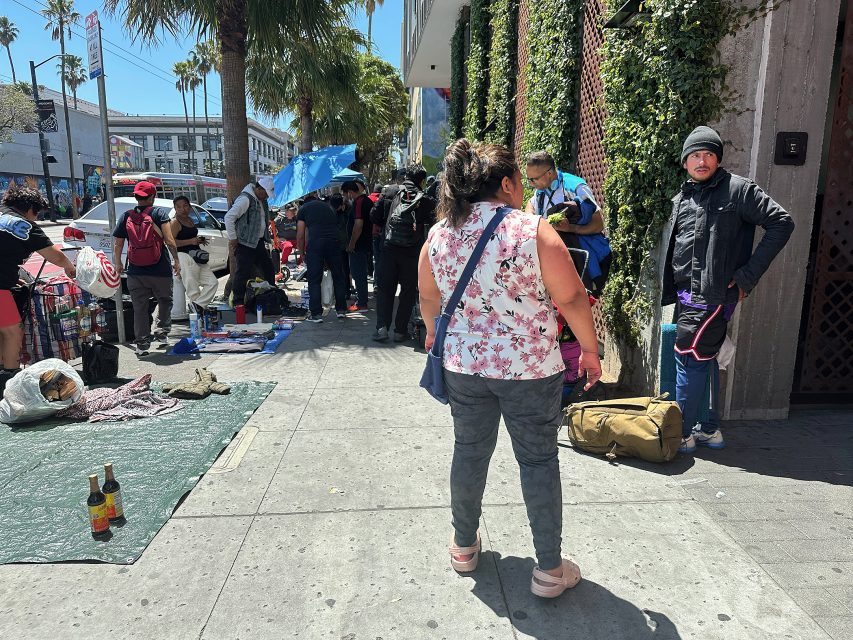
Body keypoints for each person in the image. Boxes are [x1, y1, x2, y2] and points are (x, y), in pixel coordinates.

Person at [418, 139, 601, 598]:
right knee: (538, 460)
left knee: (469, 451)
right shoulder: (532, 231)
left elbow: (428, 298)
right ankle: (549, 570)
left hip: (464, 366)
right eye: (519, 180)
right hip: (530, 368)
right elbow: (572, 297)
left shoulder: (439, 234)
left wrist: (432, 331)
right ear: (505, 183)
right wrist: (591, 350)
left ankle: (463, 545)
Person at [662, 125, 794, 453]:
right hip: (686, 297)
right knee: (705, 359)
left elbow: (782, 222)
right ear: (685, 162)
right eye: (695, 155)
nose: (702, 160)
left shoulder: (738, 191)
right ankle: (708, 429)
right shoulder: (683, 197)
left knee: (688, 358)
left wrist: (747, 276)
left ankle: (680, 435)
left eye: (709, 154)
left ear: (718, 159)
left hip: (713, 297)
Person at [0, 185, 76, 393]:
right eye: (37, 214)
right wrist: (69, 266)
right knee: (12, 332)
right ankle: (9, 380)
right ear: (30, 209)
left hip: (4, 286)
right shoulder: (23, 225)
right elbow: (54, 256)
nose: (36, 219)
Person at [524, 151, 612, 295]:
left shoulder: (575, 187)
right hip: (556, 264)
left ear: (550, 173)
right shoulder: (540, 191)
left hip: (580, 260)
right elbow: (530, 204)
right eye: (529, 179)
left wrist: (570, 228)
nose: (531, 184)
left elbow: (598, 224)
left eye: (534, 179)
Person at [112, 181, 181, 357]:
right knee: (165, 300)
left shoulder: (126, 216)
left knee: (140, 307)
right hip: (160, 269)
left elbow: (118, 243)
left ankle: (142, 344)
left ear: (136, 196)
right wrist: (176, 260)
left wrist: (118, 263)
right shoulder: (159, 213)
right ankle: (162, 331)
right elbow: (169, 240)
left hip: (135, 270)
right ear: (153, 196)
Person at [372, 163, 435, 342]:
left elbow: (374, 216)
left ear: (405, 176)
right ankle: (400, 331)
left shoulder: (389, 192)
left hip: (388, 249)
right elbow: (434, 222)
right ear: (422, 180)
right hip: (412, 252)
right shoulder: (425, 199)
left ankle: (382, 328)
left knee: (385, 290)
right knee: (408, 291)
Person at [224, 177, 276, 307]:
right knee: (242, 272)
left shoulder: (259, 199)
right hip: (244, 243)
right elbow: (229, 217)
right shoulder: (245, 199)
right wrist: (233, 238)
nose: (266, 197)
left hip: (257, 242)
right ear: (259, 189)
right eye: (265, 194)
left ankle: (272, 293)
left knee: (268, 267)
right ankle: (238, 301)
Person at [296, 196, 348, 322]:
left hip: (316, 244)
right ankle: (341, 310)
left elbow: (301, 234)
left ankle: (316, 314)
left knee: (314, 280)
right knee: (338, 277)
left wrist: (302, 252)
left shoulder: (303, 209)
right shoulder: (329, 207)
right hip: (334, 243)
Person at [170, 195, 218, 313]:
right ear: (175, 208)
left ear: (190, 206)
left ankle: (197, 306)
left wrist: (198, 240)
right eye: (179, 207)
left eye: (185, 206)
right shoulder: (175, 222)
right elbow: (171, 243)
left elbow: (189, 236)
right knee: (192, 284)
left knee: (212, 282)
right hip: (183, 256)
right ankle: (197, 315)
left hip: (196, 255)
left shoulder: (190, 220)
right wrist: (190, 241)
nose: (183, 209)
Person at [370, 170, 406, 294]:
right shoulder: (415, 193)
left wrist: (382, 224)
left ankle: (381, 290)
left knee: (384, 267)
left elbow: (374, 215)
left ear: (396, 180)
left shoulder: (387, 192)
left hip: (387, 238)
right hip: (409, 241)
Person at [342, 180, 372, 312]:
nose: (346, 197)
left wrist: (351, 244)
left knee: (358, 274)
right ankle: (362, 300)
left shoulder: (359, 202)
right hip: (364, 244)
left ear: (349, 192)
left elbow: (358, 225)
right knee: (359, 273)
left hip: (359, 245)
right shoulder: (366, 201)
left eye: (345, 194)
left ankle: (362, 303)